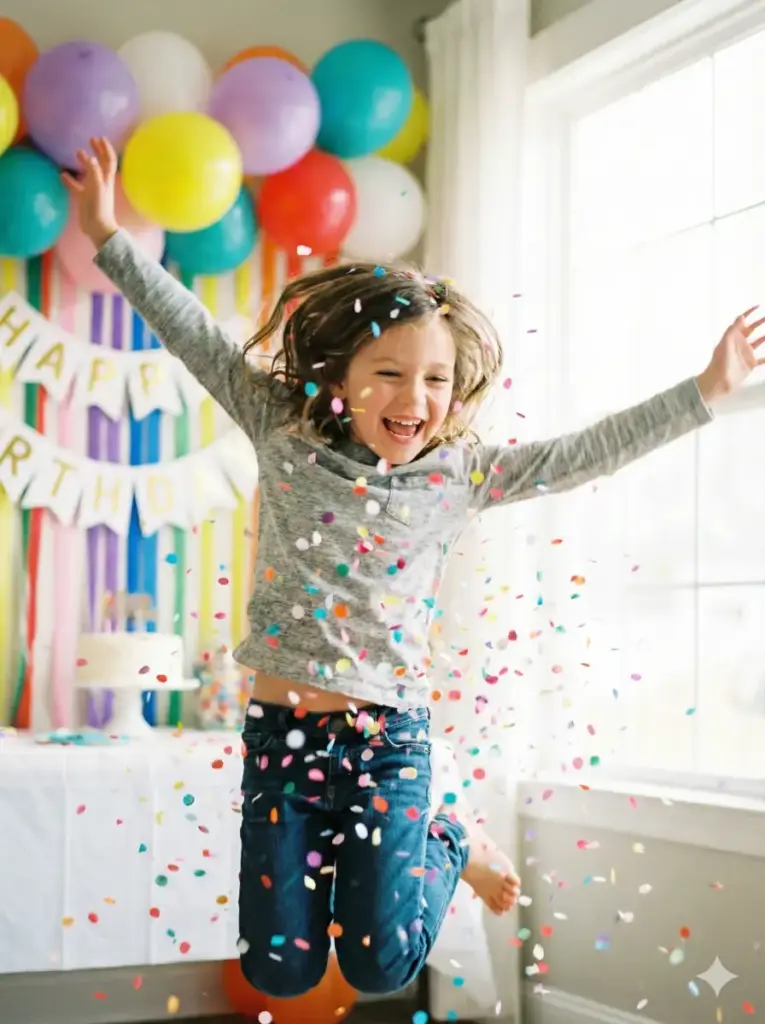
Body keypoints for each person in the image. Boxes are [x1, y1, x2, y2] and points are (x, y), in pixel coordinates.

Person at [63, 138, 765, 999]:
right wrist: (106, 233)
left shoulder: (458, 474)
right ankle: (424, 857)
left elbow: (582, 454)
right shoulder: (281, 429)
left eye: (435, 380)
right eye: (389, 373)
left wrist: (702, 391)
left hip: (386, 745)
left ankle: (450, 843)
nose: (414, 400)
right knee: (276, 967)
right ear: (341, 376)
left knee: (381, 964)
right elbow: (192, 332)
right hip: (279, 740)